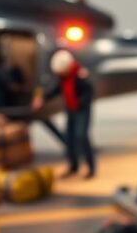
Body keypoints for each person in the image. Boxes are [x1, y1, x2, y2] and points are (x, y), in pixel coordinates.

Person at [33, 49, 96, 178]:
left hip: (81, 110)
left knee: (81, 136)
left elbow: (88, 92)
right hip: (71, 110)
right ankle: (73, 166)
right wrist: (43, 98)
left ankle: (91, 168)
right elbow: (56, 89)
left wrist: (79, 103)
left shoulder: (80, 75)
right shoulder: (63, 77)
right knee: (69, 138)